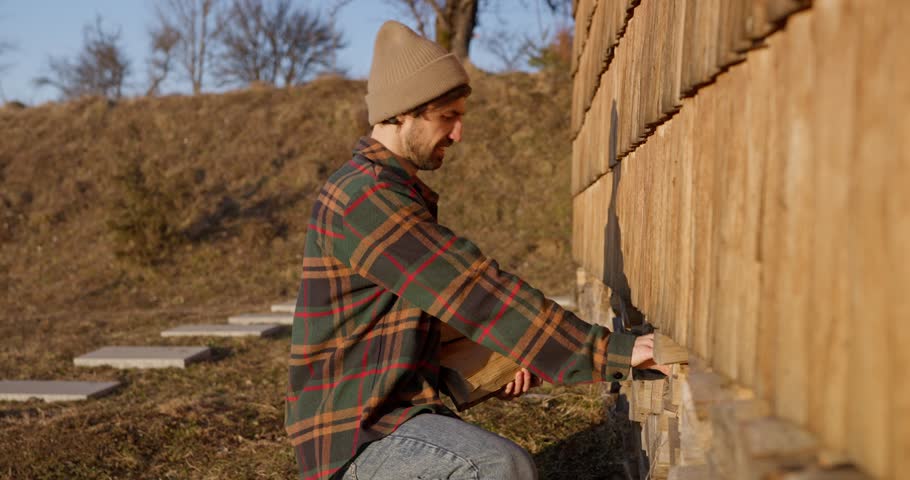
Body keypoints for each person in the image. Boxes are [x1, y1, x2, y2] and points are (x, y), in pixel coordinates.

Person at [285, 20, 665, 480]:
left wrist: (496, 360)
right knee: (493, 466)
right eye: (447, 117)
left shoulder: (385, 189)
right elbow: (474, 290)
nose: (459, 133)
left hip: (385, 417)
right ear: (402, 113)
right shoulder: (367, 200)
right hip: (354, 437)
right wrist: (611, 353)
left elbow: (415, 314)